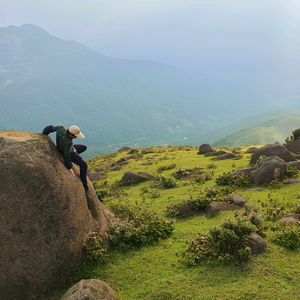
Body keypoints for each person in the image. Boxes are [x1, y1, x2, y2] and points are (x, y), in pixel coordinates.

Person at [42, 125, 89, 191]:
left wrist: (44, 133)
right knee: (84, 165)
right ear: (70, 134)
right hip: (71, 153)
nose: (76, 137)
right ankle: (84, 183)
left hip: (68, 148)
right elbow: (66, 155)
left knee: (84, 147)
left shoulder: (61, 128)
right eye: (75, 136)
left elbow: (50, 128)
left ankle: (77, 158)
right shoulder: (68, 142)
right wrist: (69, 167)